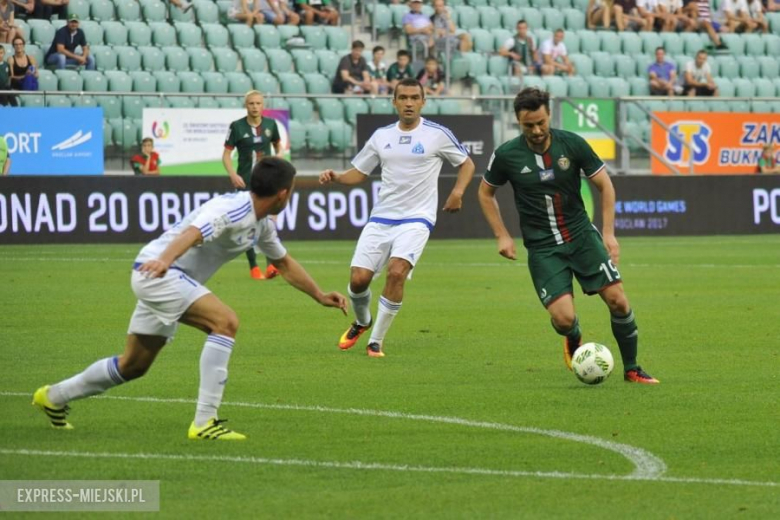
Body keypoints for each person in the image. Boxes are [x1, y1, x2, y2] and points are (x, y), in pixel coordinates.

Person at [32, 157, 348, 439]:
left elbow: (283, 263)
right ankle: (205, 422)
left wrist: (319, 295)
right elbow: (192, 233)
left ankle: (53, 397)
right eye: (291, 191)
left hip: (164, 276)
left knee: (133, 365)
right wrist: (165, 261)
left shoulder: (261, 224)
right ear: (283, 193)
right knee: (225, 322)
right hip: (160, 272)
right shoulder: (232, 209)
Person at [478, 88, 659, 384]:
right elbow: (485, 193)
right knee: (563, 319)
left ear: (549, 115)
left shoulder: (572, 144)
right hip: (543, 248)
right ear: (518, 122)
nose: (536, 130)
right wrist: (502, 235)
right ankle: (573, 335)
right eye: (528, 125)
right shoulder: (507, 155)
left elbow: (605, 185)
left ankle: (632, 368)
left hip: (581, 236)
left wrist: (609, 234)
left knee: (618, 300)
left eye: (541, 123)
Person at [318, 78, 476, 358]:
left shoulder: (437, 134)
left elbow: (467, 163)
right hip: (381, 218)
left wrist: (457, 192)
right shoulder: (382, 136)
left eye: (414, 98)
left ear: (423, 102)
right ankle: (363, 321)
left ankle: (375, 341)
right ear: (394, 102)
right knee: (358, 280)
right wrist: (337, 177)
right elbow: (360, 173)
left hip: (417, 219)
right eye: (403, 98)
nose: (409, 103)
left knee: (396, 271)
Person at [223, 90, 285, 281]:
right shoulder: (236, 126)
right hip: (245, 182)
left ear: (263, 105)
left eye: (258, 103)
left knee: (268, 223)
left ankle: (271, 265)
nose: (255, 107)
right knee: (248, 224)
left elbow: (278, 145)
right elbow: (226, 155)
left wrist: (278, 157)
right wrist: (233, 174)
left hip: (266, 181)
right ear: (246, 105)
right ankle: (254, 267)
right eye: (251, 103)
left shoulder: (271, 124)